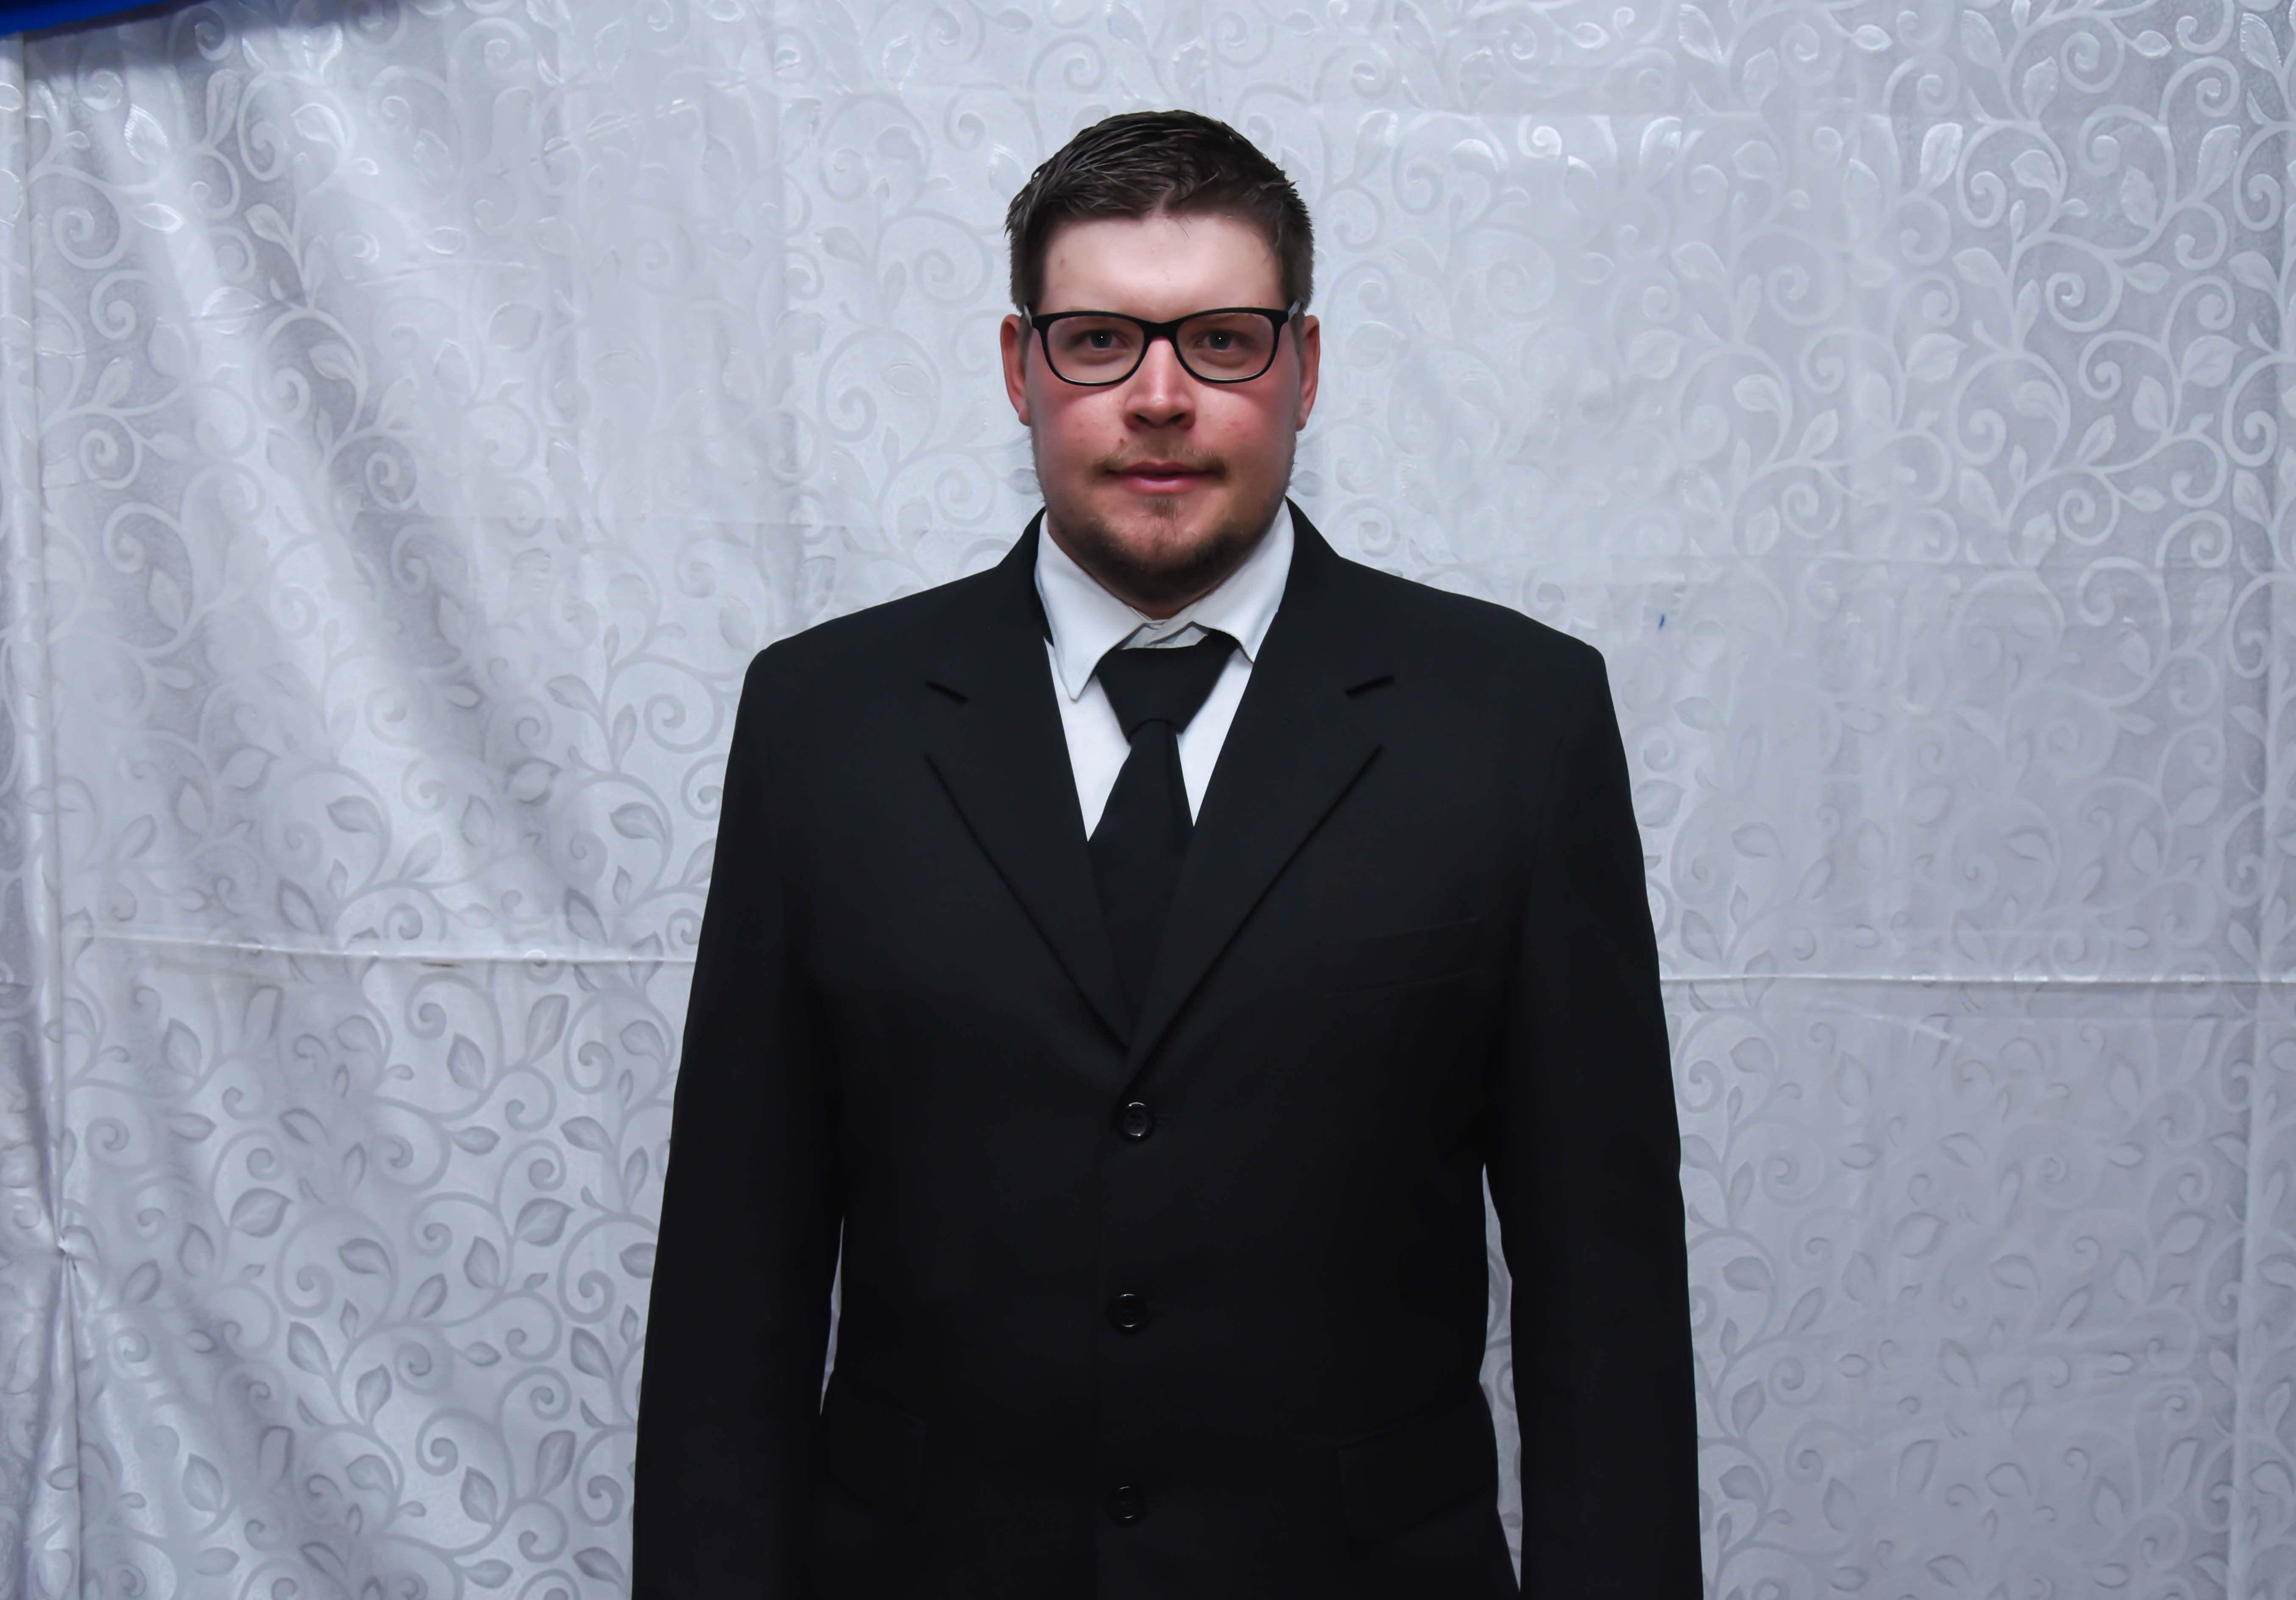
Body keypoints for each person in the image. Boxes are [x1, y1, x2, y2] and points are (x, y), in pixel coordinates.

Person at [628, 109, 1699, 1599]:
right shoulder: (825, 721)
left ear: (1304, 368)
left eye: (1220, 342)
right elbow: (731, 1286)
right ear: (1020, 370)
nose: (1158, 398)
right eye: (1098, 343)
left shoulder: (1517, 720)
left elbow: (1607, 1304)